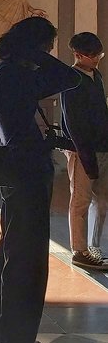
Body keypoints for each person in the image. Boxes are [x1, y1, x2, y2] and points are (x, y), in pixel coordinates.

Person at [0, 16, 80, 343]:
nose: (49, 53)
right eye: (47, 46)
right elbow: (69, 78)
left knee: (12, 258)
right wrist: (35, 54)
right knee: (28, 266)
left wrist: (28, 52)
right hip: (27, 174)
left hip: (15, 173)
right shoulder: (15, 75)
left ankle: (3, 340)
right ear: (34, 46)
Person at [60, 32, 108, 270]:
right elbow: (74, 124)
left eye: (100, 55)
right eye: (93, 56)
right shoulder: (71, 80)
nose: (97, 59)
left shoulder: (96, 76)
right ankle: (79, 251)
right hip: (81, 150)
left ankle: (95, 246)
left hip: (102, 147)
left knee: (102, 200)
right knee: (81, 200)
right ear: (78, 55)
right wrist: (86, 157)